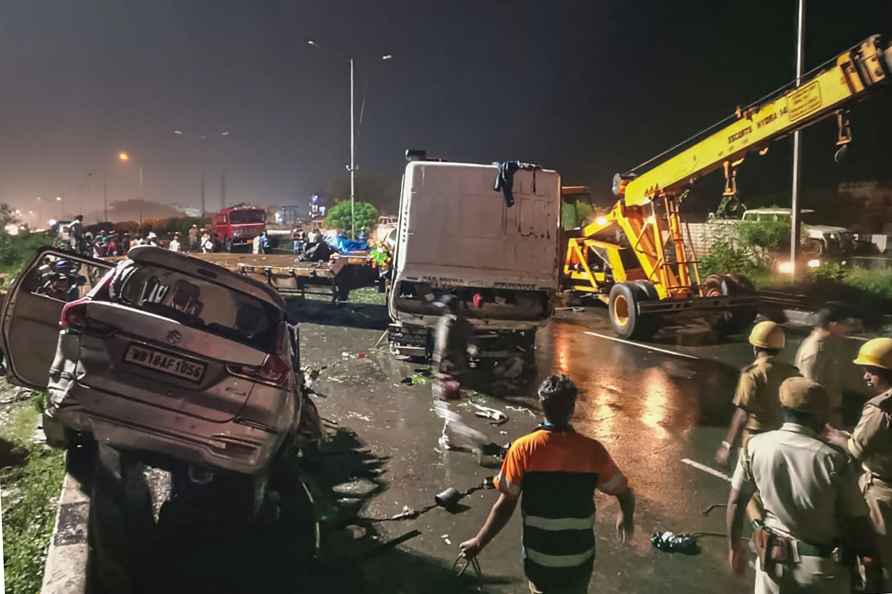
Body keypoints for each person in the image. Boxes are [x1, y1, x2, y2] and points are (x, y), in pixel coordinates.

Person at [459, 375, 635, 594]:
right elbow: (625, 492)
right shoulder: (592, 450)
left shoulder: (522, 449)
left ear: (542, 407)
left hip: (539, 562)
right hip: (579, 561)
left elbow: (505, 505)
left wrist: (478, 542)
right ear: (572, 408)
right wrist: (626, 516)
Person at [726, 377, 875, 593]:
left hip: (772, 561)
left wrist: (734, 547)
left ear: (782, 408)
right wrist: (871, 562)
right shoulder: (832, 458)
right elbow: (856, 520)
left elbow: (735, 502)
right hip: (821, 568)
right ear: (821, 416)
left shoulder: (754, 446)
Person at [826, 337, 892, 590]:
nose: (865, 376)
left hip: (882, 492)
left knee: (875, 555)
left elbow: (855, 451)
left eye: (871, 371)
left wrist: (836, 437)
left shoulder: (879, 409)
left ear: (886, 371)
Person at [715, 321, 800, 468]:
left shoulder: (752, 374)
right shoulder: (791, 371)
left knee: (737, 489)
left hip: (755, 441)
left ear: (755, 348)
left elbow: (742, 414)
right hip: (781, 440)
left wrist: (728, 445)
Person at [795, 306, 850, 427]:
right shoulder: (816, 351)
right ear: (833, 325)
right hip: (820, 418)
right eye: (846, 324)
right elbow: (811, 390)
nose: (848, 329)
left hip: (828, 414)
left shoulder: (827, 345)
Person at [431, 294, 474, 401]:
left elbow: (442, 345)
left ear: (448, 308)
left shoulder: (446, 322)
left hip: (449, 363)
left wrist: (439, 362)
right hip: (455, 364)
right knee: (452, 393)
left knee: (446, 395)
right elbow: (471, 344)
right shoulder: (463, 323)